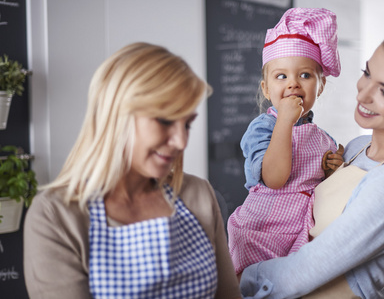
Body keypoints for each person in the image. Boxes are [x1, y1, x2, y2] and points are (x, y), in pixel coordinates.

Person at [240, 5, 384, 299]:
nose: (362, 94)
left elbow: (302, 272)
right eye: (367, 73)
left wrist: (235, 280)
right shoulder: (357, 148)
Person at [23, 43, 241, 299]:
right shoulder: (55, 216)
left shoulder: (198, 194)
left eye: (187, 124)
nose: (181, 141)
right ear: (116, 114)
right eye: (165, 120)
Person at [226, 8, 344, 278]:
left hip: (300, 230)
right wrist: (285, 122)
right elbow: (275, 178)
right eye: (281, 76)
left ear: (320, 85)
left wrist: (332, 171)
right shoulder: (262, 128)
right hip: (262, 231)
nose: (293, 84)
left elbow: (323, 189)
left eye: (305, 75)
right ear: (266, 89)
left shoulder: (324, 138)